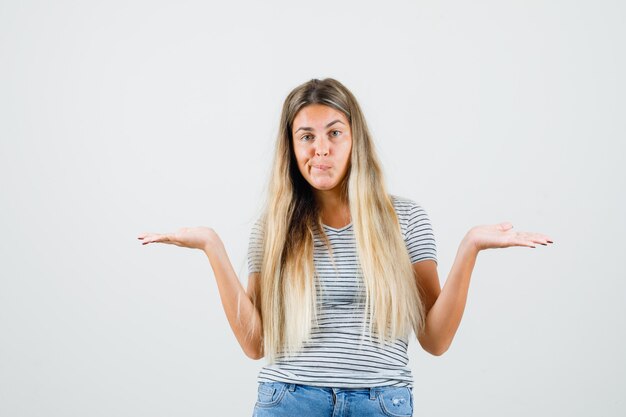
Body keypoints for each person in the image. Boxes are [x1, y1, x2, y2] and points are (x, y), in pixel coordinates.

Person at [137, 78, 554, 417]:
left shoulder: (404, 219)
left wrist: (470, 247)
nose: (321, 148)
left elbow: (436, 339)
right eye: (307, 136)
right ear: (292, 147)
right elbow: (255, 344)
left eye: (335, 133)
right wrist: (212, 246)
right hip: (290, 401)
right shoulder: (273, 228)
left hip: (381, 403)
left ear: (355, 140)